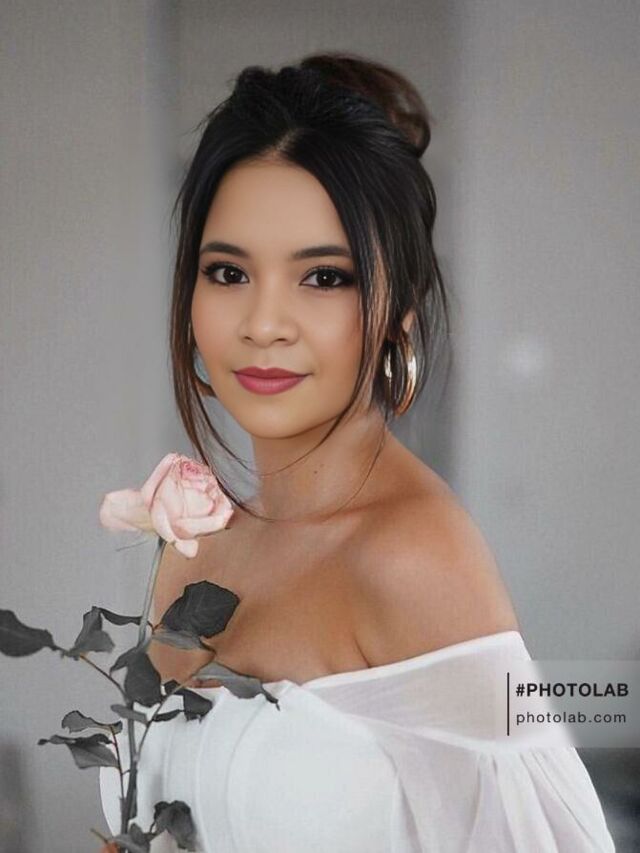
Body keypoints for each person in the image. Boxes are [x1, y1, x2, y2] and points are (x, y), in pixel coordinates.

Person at [100, 52, 616, 852]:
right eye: (228, 271)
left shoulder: (412, 558)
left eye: (323, 278)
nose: (263, 323)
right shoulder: (196, 547)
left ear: (399, 308)